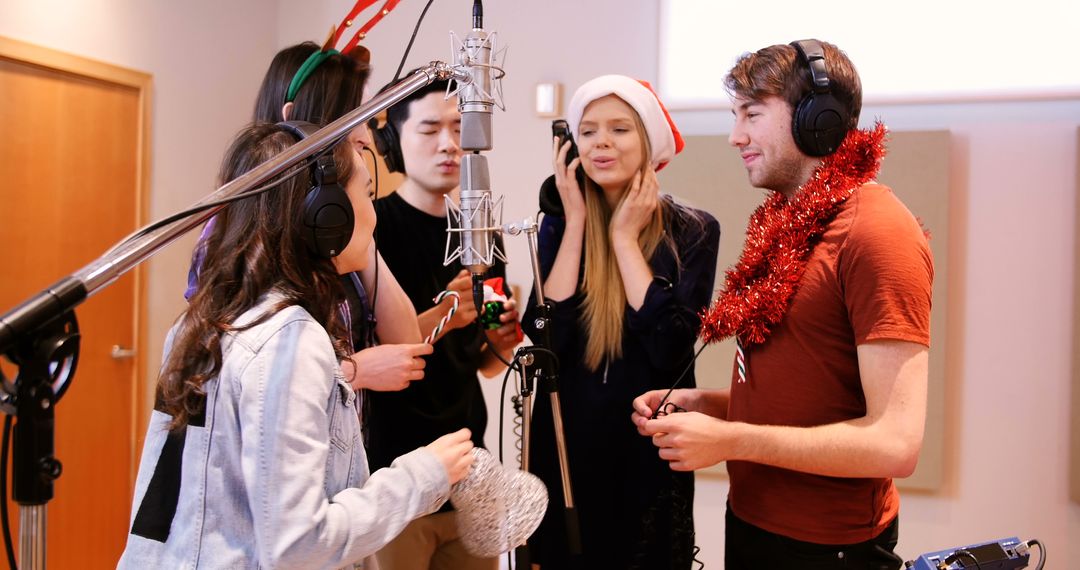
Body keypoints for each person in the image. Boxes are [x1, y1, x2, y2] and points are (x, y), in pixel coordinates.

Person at [632, 39, 934, 570]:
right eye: (734, 115)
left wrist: (729, 439)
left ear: (818, 119)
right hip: (752, 524)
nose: (735, 136)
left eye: (752, 113)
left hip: (825, 548)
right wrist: (713, 407)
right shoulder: (784, 227)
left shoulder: (879, 233)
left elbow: (895, 443)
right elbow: (808, 395)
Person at [119, 122, 475, 568]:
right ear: (327, 216)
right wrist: (423, 476)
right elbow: (297, 544)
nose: (374, 212)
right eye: (366, 194)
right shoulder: (290, 339)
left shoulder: (202, 320)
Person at [523, 75, 720, 569]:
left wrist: (624, 240)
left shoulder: (693, 229)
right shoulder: (555, 224)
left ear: (648, 143)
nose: (601, 142)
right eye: (587, 131)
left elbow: (669, 348)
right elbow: (547, 338)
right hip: (567, 457)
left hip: (645, 462)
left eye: (619, 129)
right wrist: (572, 224)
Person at [186, 41, 432, 394]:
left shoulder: (336, 218)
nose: (365, 136)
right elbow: (223, 369)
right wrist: (353, 371)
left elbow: (405, 339)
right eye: (351, 117)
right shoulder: (228, 229)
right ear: (293, 117)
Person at [365, 75, 522, 570]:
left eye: (458, 128)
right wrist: (442, 315)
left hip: (469, 470)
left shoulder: (484, 233)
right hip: (394, 473)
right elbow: (367, 356)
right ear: (395, 141)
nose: (450, 144)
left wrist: (505, 335)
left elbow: (490, 362)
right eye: (431, 129)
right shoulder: (373, 228)